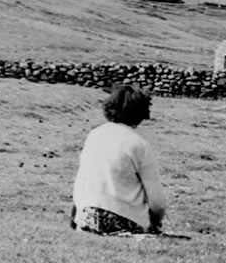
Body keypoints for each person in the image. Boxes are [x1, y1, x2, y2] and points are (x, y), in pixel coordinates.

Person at [71, 83, 168, 234]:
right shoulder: (139, 145)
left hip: (85, 216)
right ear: (142, 113)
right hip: (123, 219)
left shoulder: (94, 135)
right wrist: (155, 222)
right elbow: (158, 204)